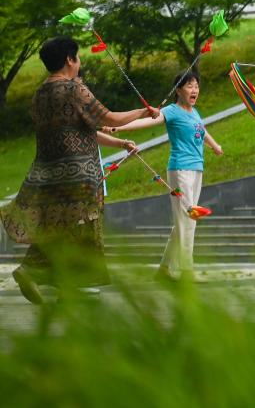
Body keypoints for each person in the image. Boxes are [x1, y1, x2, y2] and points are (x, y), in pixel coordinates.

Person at [1, 36, 156, 304]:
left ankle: (48, 277)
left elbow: (83, 130)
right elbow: (110, 118)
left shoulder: (40, 94)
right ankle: (70, 284)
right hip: (80, 174)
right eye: (78, 57)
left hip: (48, 175)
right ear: (69, 60)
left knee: (59, 227)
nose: (79, 61)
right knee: (82, 227)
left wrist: (118, 142)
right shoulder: (74, 89)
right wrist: (143, 113)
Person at [105, 70, 222, 283]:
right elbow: (147, 122)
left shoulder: (194, 112)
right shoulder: (172, 111)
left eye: (196, 85)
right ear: (178, 90)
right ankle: (187, 271)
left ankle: (165, 269)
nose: (194, 89)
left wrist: (214, 146)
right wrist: (118, 127)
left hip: (197, 169)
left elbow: (201, 130)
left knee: (183, 221)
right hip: (180, 170)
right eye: (189, 86)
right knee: (189, 219)